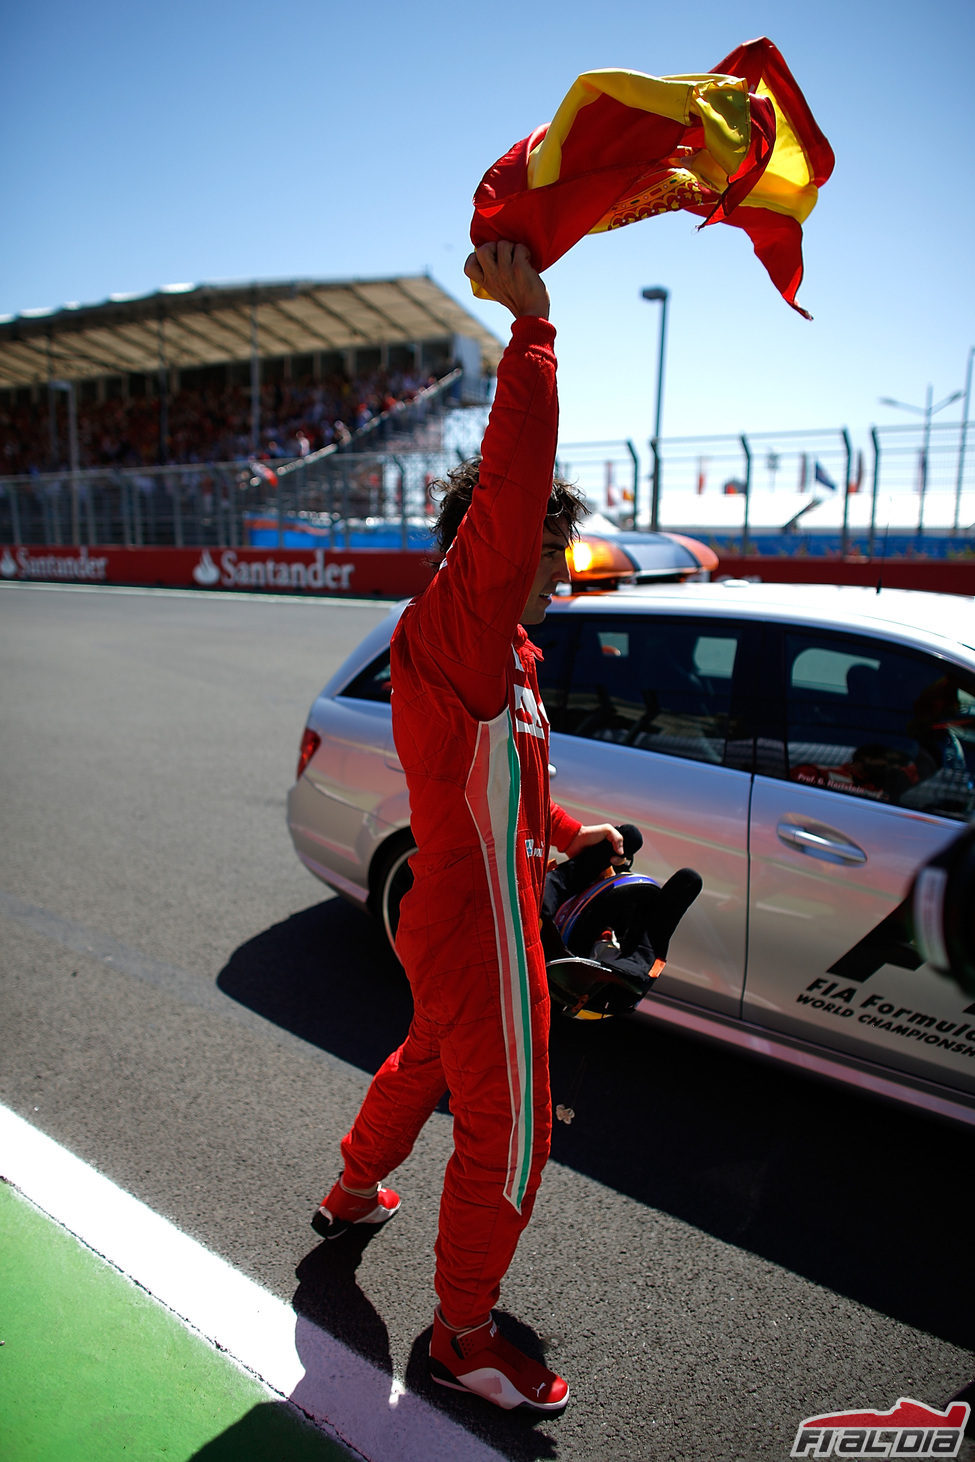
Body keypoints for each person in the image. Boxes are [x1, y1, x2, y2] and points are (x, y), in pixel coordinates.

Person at [312, 241, 625, 1414]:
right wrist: (532, 331)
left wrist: (579, 836)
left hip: (457, 907)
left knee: (426, 1062)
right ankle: (461, 1336)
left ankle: (349, 1194)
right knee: (514, 1128)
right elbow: (512, 478)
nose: (565, 569)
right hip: (478, 920)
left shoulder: (509, 653)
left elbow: (521, 797)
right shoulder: (459, 615)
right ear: (503, 547)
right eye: (555, 549)